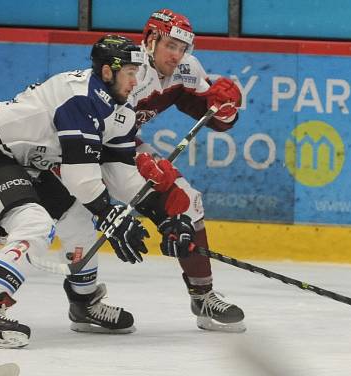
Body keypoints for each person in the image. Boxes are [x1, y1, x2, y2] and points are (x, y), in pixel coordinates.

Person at [0, 35, 154, 347]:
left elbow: (120, 172)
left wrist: (163, 212)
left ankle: (84, 303)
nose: (135, 80)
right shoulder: (79, 97)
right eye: (129, 72)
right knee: (34, 224)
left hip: (27, 163)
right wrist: (109, 214)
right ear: (107, 72)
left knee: (77, 219)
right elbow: (80, 177)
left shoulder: (121, 111)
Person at [129, 8, 245, 332]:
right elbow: (100, 132)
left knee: (187, 199)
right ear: (150, 40)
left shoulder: (186, 68)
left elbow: (213, 115)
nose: (176, 54)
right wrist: (141, 161)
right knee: (48, 217)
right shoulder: (128, 69)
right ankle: (84, 301)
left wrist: (225, 109)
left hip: (124, 147)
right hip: (87, 148)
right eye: (169, 46)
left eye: (182, 48)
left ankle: (203, 296)